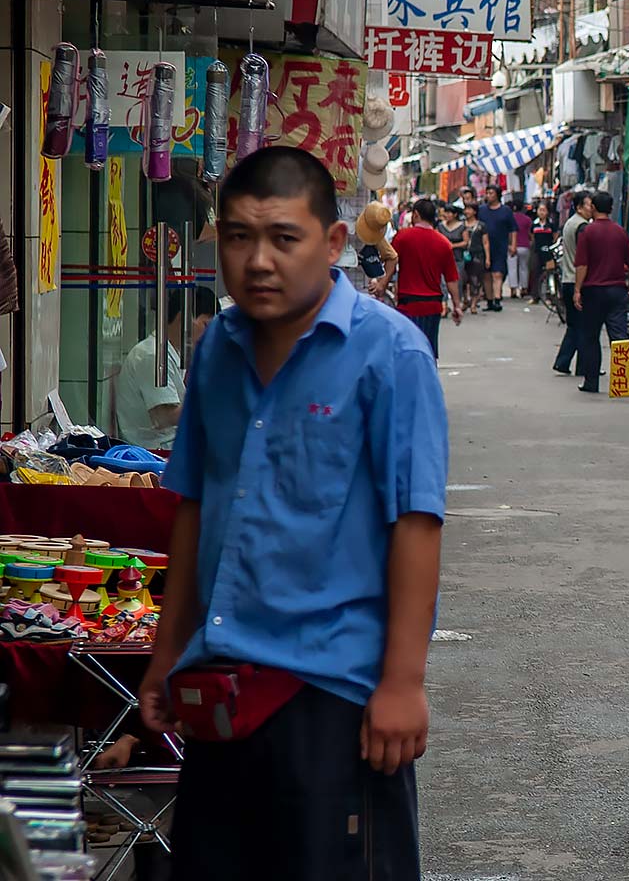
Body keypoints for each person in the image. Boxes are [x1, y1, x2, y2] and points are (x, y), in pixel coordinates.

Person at [137, 146, 447, 878]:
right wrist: (165, 651)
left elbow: (416, 521)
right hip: (219, 689)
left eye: (283, 238)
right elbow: (195, 507)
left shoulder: (389, 355)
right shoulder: (216, 349)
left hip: (333, 696)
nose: (258, 261)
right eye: (240, 238)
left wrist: (402, 683)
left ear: (333, 243)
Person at [114, 287, 218, 450]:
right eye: (206, 325)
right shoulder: (152, 356)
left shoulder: (173, 353)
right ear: (183, 319)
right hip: (153, 449)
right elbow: (164, 418)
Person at [573, 190, 629, 394]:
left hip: (593, 291)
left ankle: (591, 382)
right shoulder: (620, 231)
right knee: (619, 336)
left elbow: (582, 265)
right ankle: (625, 382)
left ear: (593, 207)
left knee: (591, 336)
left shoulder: (588, 232)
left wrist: (577, 289)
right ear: (611, 208)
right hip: (617, 290)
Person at [392, 198, 463, 359]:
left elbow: (390, 263)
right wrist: (457, 305)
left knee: (406, 353)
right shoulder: (443, 243)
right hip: (432, 306)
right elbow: (451, 278)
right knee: (428, 353)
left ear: (416, 215)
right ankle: (428, 382)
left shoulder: (402, 237)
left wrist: (381, 284)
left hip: (408, 305)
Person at [553, 191, 594, 376]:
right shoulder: (582, 226)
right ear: (579, 207)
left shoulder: (571, 223)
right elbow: (584, 258)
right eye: (588, 204)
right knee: (582, 325)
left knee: (576, 325)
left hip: (568, 278)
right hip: (577, 280)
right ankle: (580, 365)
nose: (591, 208)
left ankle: (568, 362)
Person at [478, 186, 517, 312]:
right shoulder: (481, 210)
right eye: (487, 192)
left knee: (498, 273)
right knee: (486, 274)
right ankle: (489, 300)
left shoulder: (505, 211)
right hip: (483, 246)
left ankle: (497, 299)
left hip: (500, 245)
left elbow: (513, 229)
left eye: (491, 193)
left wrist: (513, 245)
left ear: (497, 195)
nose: (488, 195)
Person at [439, 205, 471, 315]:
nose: (447, 215)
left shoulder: (462, 227)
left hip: (457, 258)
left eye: (449, 213)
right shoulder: (441, 226)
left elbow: (466, 242)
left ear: (455, 215)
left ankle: (457, 303)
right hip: (442, 258)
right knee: (442, 282)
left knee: (457, 281)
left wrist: (454, 245)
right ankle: (444, 305)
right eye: (445, 213)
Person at [462, 204, 490, 315]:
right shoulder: (461, 225)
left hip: (477, 255)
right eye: (466, 209)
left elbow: (486, 242)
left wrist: (488, 257)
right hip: (463, 255)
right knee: (463, 279)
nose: (467, 211)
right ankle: (465, 300)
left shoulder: (481, 226)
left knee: (475, 280)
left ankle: (473, 303)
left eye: (469, 209)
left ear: (474, 211)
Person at [509, 200, 533, 301]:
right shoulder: (527, 219)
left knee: (512, 268)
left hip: (512, 246)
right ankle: (524, 288)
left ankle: (513, 289)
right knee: (524, 268)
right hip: (525, 246)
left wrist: (510, 245)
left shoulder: (510, 219)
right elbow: (530, 234)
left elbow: (509, 233)